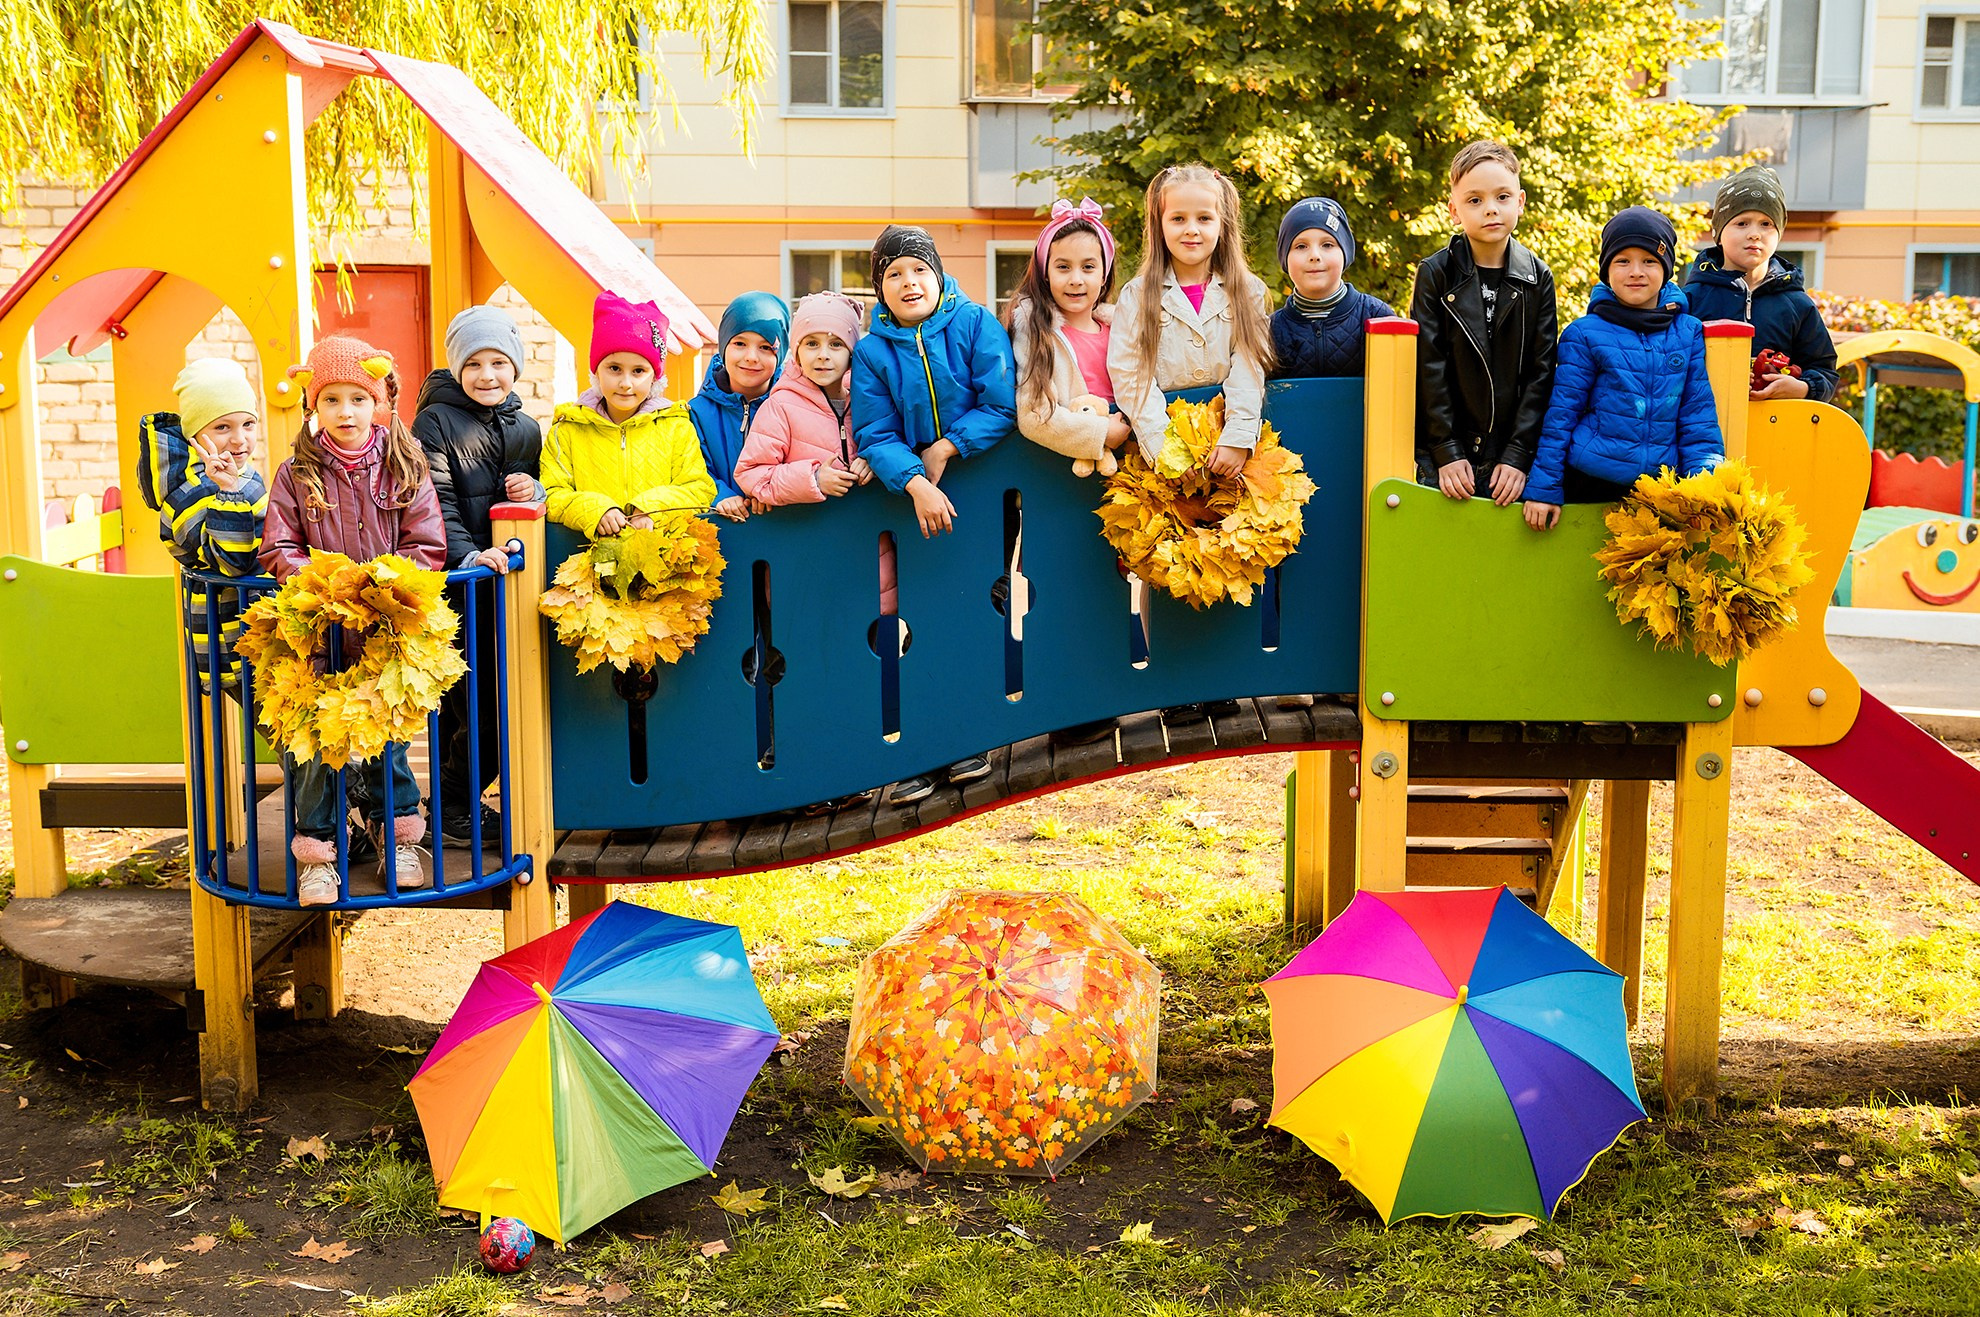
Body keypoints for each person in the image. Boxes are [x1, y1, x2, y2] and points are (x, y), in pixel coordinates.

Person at [260, 336, 448, 906]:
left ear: (378, 401)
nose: (346, 412)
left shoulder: (403, 463)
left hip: (382, 634)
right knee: (317, 747)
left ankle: (398, 838)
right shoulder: (297, 473)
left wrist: (384, 586)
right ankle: (319, 854)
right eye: (332, 400)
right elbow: (278, 546)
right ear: (313, 405)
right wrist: (325, 584)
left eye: (358, 399)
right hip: (319, 636)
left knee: (389, 741)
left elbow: (426, 542)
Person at [851, 224, 1017, 804]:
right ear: (880, 288)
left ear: (938, 275)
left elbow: (1002, 403)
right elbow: (874, 431)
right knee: (916, 620)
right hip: (916, 503)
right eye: (894, 274)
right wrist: (916, 480)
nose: (909, 281)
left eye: (919, 269)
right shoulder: (872, 352)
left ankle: (971, 736)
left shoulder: (973, 323)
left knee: (978, 608)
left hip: (982, 492)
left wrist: (947, 448)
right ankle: (919, 750)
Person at [412, 305, 543, 848]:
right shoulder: (435, 422)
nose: (487, 375)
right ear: (456, 368)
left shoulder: (526, 428)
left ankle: (455, 802)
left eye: (498, 363)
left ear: (515, 366)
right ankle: (452, 803)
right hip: (462, 582)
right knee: (473, 701)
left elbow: (539, 491)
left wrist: (533, 491)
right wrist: (467, 558)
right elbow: (435, 500)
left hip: (508, 583)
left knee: (502, 695)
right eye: (473, 364)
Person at [1523, 207, 1724, 529]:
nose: (1636, 272)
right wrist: (1544, 489)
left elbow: (1697, 417)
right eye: (1623, 261)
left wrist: (1704, 489)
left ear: (1666, 269)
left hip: (1658, 489)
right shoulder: (1585, 333)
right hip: (1590, 481)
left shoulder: (1687, 332)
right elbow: (1560, 416)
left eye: (1649, 261)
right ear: (1606, 270)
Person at [1410, 140, 1559, 505]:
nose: (1490, 209)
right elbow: (1428, 367)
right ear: (1454, 211)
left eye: (1502, 197)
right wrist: (1446, 449)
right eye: (1475, 200)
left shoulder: (1538, 278)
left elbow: (1541, 373)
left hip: (1511, 461)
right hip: (1447, 457)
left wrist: (1518, 454)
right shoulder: (1436, 274)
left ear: (1520, 202)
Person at [1107, 163, 1273, 472]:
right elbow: (1130, 375)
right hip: (1164, 450)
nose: (1192, 229)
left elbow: (1250, 367)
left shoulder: (1246, 291)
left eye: (1204, 218)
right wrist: (1165, 448)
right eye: (1178, 218)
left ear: (1222, 224)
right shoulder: (1137, 295)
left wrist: (1238, 437)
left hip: (1230, 451)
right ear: (1159, 225)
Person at [542, 291, 715, 539]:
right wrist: (595, 509)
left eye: (638, 371)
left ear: (654, 377)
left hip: (661, 554)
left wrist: (651, 509)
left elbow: (698, 489)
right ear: (596, 371)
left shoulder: (676, 427)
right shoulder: (567, 429)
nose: (625, 383)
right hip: (588, 557)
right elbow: (552, 493)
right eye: (614, 368)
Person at [139, 358, 267, 692]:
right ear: (194, 434)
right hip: (233, 642)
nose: (239, 439)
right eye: (222, 427)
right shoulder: (190, 491)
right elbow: (232, 562)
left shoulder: (237, 473)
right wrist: (229, 492)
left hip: (256, 631)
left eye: (248, 424)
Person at [1681, 164, 1839, 403]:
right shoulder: (1692, 299)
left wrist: (1803, 388)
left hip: (1778, 423)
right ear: (1719, 233)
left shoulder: (1798, 305)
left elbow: (1824, 370)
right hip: (1706, 423)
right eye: (1742, 223)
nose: (1755, 234)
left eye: (1766, 224)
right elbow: (1669, 367)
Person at [1004, 196, 1132, 472]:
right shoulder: (1038, 335)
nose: (1076, 279)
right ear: (1046, 273)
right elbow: (1034, 416)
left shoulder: (1123, 331)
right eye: (1063, 267)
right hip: (1066, 474)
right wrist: (1100, 432)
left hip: (1132, 470)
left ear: (1104, 275)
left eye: (1088, 267)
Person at [733, 289, 872, 508]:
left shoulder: (868, 400)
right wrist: (814, 479)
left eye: (836, 344)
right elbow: (751, 474)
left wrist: (875, 460)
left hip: (865, 524)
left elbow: (891, 442)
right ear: (797, 353)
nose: (823, 355)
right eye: (812, 344)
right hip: (808, 526)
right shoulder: (781, 407)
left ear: (851, 353)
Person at [689, 291, 791, 523]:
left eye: (765, 347)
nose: (751, 356)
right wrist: (720, 495)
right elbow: (692, 469)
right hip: (723, 531)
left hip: (782, 526)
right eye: (740, 343)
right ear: (724, 347)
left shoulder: (792, 407)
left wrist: (768, 486)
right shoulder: (697, 412)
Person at [1268, 197, 1395, 379]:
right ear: (1285, 258)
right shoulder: (1270, 331)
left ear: (1345, 253)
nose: (1314, 255)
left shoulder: (1377, 315)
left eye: (1327, 245)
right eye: (1301, 246)